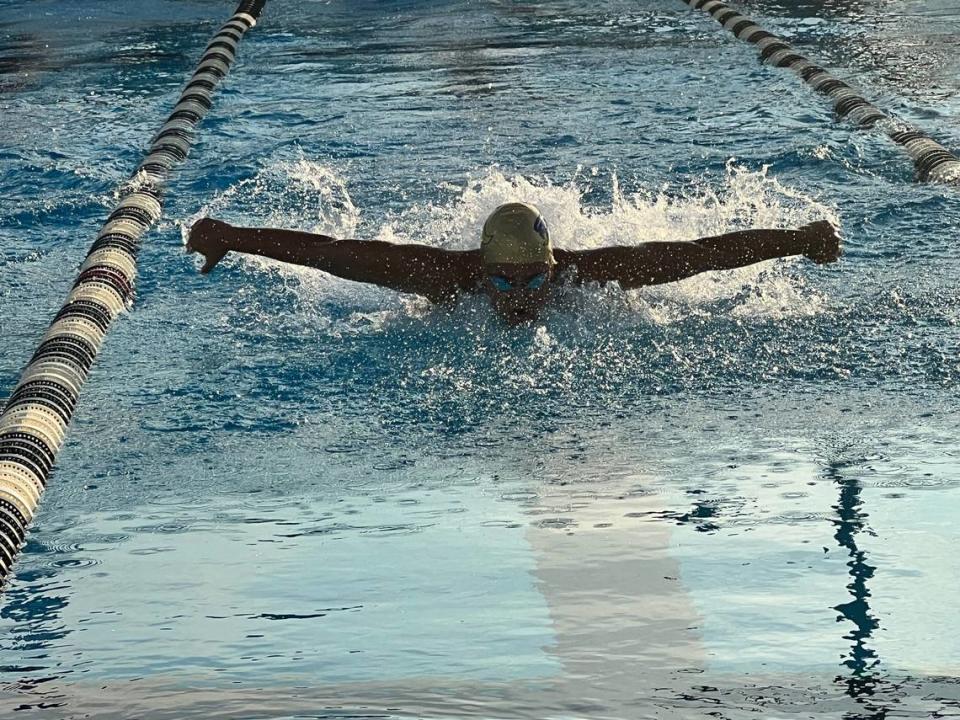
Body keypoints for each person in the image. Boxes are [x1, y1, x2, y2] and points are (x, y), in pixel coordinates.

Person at [187, 202, 841, 324]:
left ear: (555, 265)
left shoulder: (593, 273)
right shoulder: (439, 276)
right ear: (481, 268)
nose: (520, 294)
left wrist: (798, 239)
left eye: (535, 278)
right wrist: (230, 235)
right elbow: (330, 256)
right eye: (504, 279)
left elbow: (703, 257)